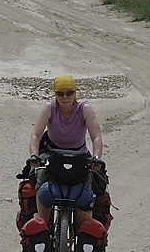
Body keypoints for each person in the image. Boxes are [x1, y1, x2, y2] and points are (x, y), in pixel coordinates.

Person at [28, 74, 103, 228]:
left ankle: (85, 228)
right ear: (55, 94)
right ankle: (43, 224)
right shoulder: (49, 108)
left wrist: (96, 157)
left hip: (79, 155)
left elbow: (96, 137)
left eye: (69, 93)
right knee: (41, 177)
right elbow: (35, 135)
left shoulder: (84, 109)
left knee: (88, 181)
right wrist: (34, 155)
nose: (65, 97)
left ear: (75, 93)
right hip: (52, 153)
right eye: (60, 93)